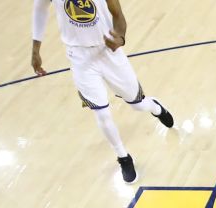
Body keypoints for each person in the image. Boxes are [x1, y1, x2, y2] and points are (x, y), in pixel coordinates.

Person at [30, 0, 174, 184]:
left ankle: (155, 107)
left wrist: (119, 39)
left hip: (107, 51)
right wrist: (35, 50)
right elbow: (39, 9)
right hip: (79, 57)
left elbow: (118, 15)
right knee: (102, 113)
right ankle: (123, 157)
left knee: (138, 105)